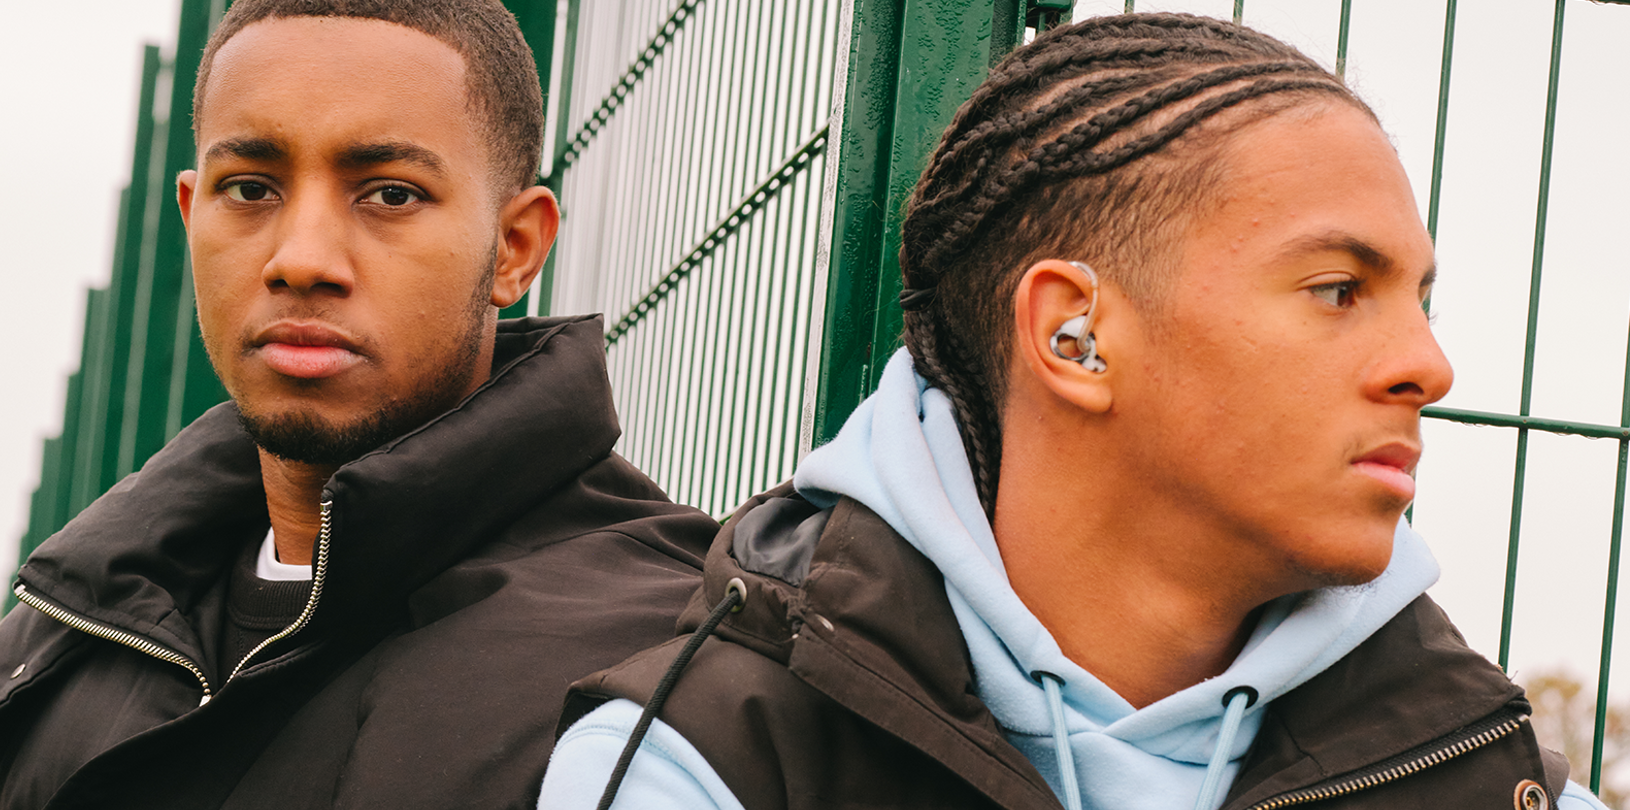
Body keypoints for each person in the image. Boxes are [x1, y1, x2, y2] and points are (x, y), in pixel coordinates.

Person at [540, 13, 1604, 810]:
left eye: (1420, 301)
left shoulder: (1495, 777)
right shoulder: (705, 762)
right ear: (1073, 336)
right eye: (1338, 290)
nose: (1429, 365)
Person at [0, 1, 717, 806]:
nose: (301, 259)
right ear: (193, 218)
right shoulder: (76, 633)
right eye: (253, 188)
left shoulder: (663, 654)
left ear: (513, 249)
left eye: (391, 195)